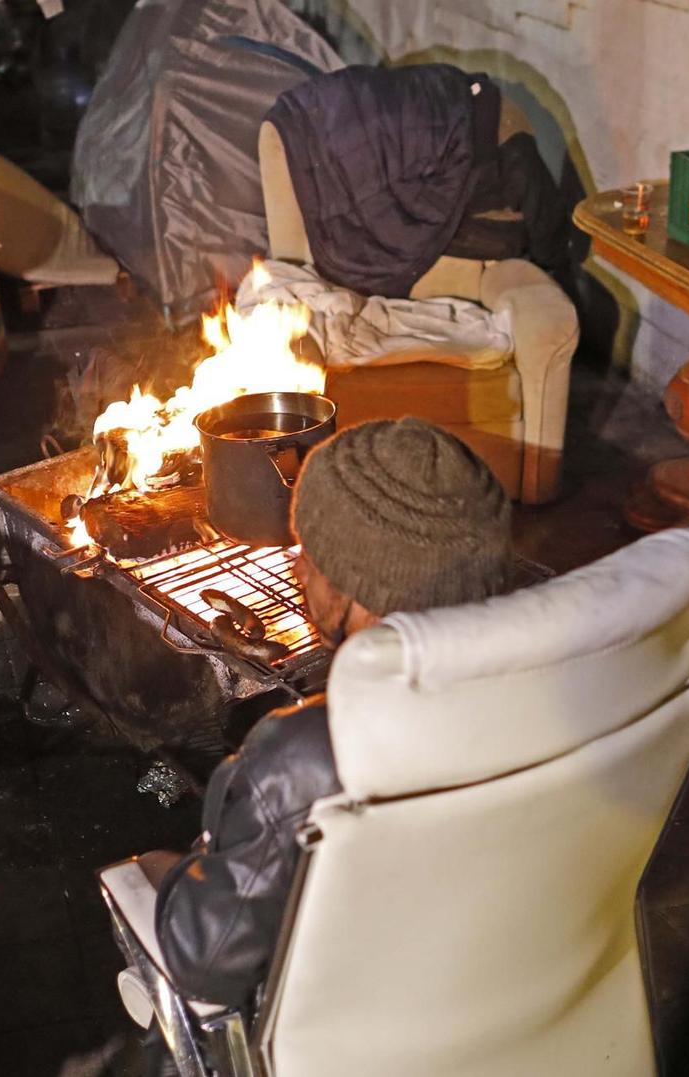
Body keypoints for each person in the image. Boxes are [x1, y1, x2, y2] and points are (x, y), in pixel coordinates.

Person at [146, 417, 518, 1007]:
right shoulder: (548, 690)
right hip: (509, 983)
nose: (295, 572)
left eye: (307, 554)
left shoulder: (312, 753)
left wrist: (167, 873)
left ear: (354, 590)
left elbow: (208, 960)